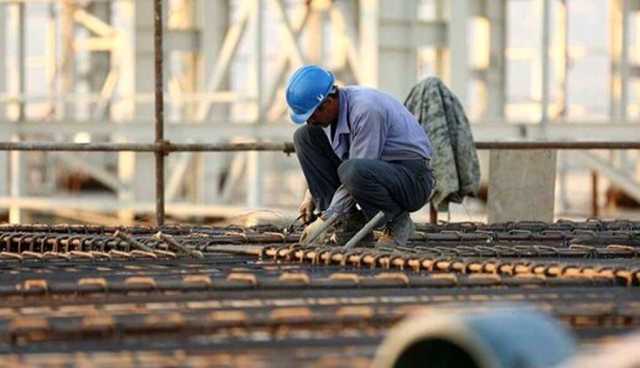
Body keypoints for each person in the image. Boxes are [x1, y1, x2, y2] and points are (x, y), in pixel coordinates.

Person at [286, 65, 434, 247]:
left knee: (352, 170)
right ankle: (347, 223)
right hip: (375, 172)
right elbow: (344, 162)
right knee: (305, 136)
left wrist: (325, 219)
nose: (310, 120)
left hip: (411, 179)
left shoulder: (366, 110)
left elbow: (357, 169)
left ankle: (396, 221)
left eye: (312, 114)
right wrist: (311, 195)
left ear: (328, 102)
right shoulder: (333, 113)